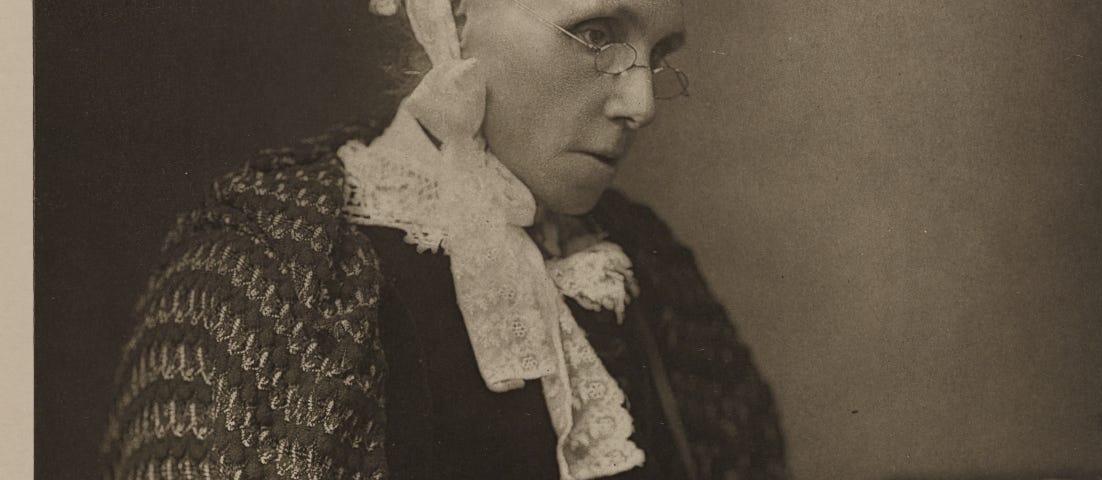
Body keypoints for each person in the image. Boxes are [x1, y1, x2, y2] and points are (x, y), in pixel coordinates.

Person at [100, 0, 789, 478]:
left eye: (658, 54)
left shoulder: (643, 261)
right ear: (450, 19)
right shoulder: (272, 261)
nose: (639, 104)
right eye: (597, 35)